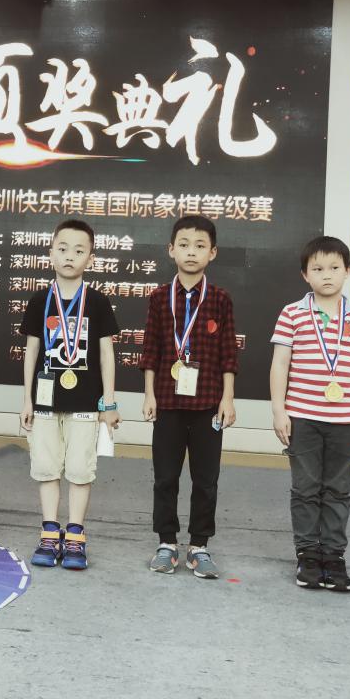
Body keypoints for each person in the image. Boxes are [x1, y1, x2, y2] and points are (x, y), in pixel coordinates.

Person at [269, 236, 350, 592]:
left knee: (338, 491)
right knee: (305, 489)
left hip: (346, 421)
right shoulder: (292, 314)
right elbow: (280, 364)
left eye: (334, 267)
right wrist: (279, 411)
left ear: (347, 271)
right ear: (305, 275)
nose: (327, 275)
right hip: (302, 417)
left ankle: (333, 556)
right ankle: (307, 555)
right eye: (317, 269)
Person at [19, 219, 121, 571]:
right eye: (62, 249)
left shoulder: (98, 301)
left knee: (80, 468)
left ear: (90, 259)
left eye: (79, 251)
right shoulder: (39, 300)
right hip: (45, 402)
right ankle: (50, 531)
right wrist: (27, 399)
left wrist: (109, 402)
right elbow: (32, 352)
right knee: (46, 466)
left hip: (86, 404)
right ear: (50, 253)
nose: (69, 256)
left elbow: (106, 353)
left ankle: (75, 534)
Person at [140, 215, 238, 578]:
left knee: (206, 480)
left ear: (212, 253)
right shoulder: (158, 298)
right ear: (171, 250)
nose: (191, 252)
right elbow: (151, 350)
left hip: (208, 404)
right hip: (167, 402)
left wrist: (228, 399)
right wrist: (149, 394)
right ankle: (166, 543)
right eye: (184, 245)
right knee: (165, 477)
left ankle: (199, 546)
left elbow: (228, 353)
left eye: (200, 246)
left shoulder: (220, 299)